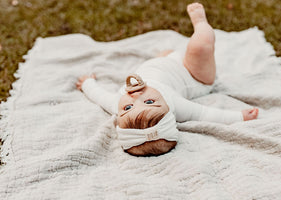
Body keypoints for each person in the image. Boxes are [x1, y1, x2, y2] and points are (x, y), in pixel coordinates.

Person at [76, 3, 259, 156]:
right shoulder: (175, 105)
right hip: (194, 76)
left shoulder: (117, 104)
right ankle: (201, 23)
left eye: (128, 107)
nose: (135, 97)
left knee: (161, 57)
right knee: (200, 47)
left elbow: (99, 95)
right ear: (168, 111)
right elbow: (205, 114)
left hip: (165, 63)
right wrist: (240, 116)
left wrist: (87, 84)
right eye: (149, 101)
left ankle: (167, 56)